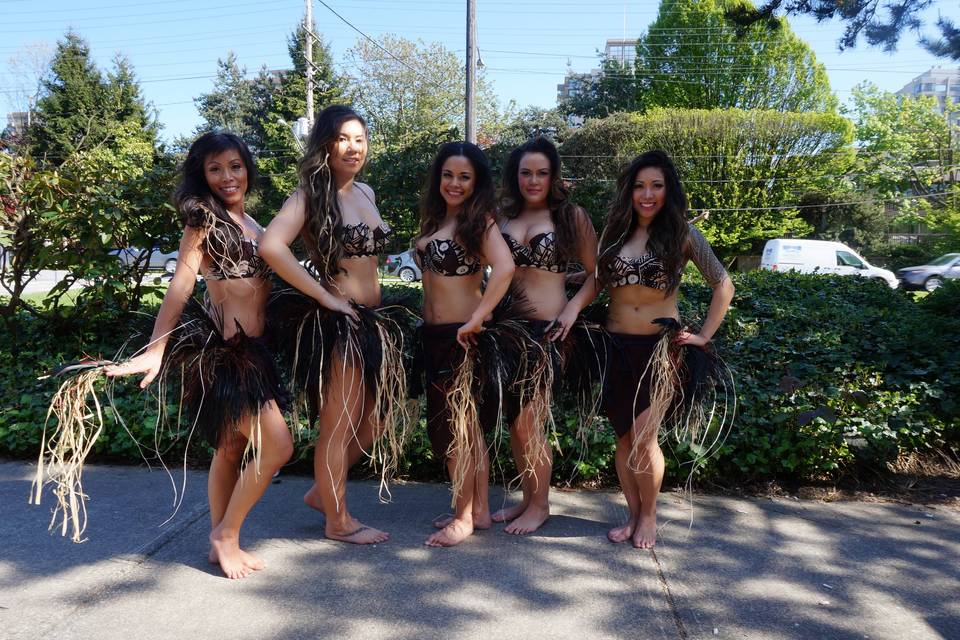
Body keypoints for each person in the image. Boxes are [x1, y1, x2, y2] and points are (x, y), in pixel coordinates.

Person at [106, 132, 293, 579]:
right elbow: (181, 286)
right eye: (215, 169)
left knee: (230, 448)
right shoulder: (204, 222)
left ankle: (218, 539)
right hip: (228, 355)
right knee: (278, 446)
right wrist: (156, 350)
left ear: (248, 169)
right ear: (202, 175)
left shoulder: (256, 226)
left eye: (235, 166)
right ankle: (226, 535)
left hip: (257, 353)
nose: (227, 177)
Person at [259, 104, 409, 545]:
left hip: (374, 320)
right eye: (343, 138)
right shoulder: (309, 195)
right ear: (325, 143)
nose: (353, 147)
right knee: (339, 423)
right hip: (339, 322)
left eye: (360, 139)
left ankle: (322, 493)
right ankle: (338, 520)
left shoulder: (365, 192)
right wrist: (325, 294)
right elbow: (271, 246)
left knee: (373, 422)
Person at [596, 150, 735, 549]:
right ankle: (633, 515)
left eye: (656, 185)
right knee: (623, 438)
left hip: (658, 352)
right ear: (629, 191)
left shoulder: (684, 235)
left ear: (668, 190)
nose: (647, 194)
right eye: (639, 186)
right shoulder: (615, 233)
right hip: (614, 346)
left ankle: (650, 517)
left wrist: (704, 335)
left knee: (644, 437)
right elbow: (597, 279)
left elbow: (723, 286)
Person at [494, 137, 600, 535]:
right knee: (515, 424)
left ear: (553, 176)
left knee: (528, 422)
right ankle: (527, 499)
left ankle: (540, 505)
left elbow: (597, 273)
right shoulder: (502, 215)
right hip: (505, 332)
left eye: (541, 173)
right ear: (515, 175)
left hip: (548, 333)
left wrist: (572, 308)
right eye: (525, 172)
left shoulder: (570, 217)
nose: (533, 180)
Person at [415, 141, 516, 547]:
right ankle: (480, 510)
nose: (455, 184)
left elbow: (505, 268)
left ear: (477, 182)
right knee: (467, 428)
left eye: (464, 177)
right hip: (436, 336)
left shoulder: (481, 223)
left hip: (462, 336)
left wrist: (478, 316)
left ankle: (463, 516)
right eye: (448, 175)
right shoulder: (434, 220)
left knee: (457, 428)